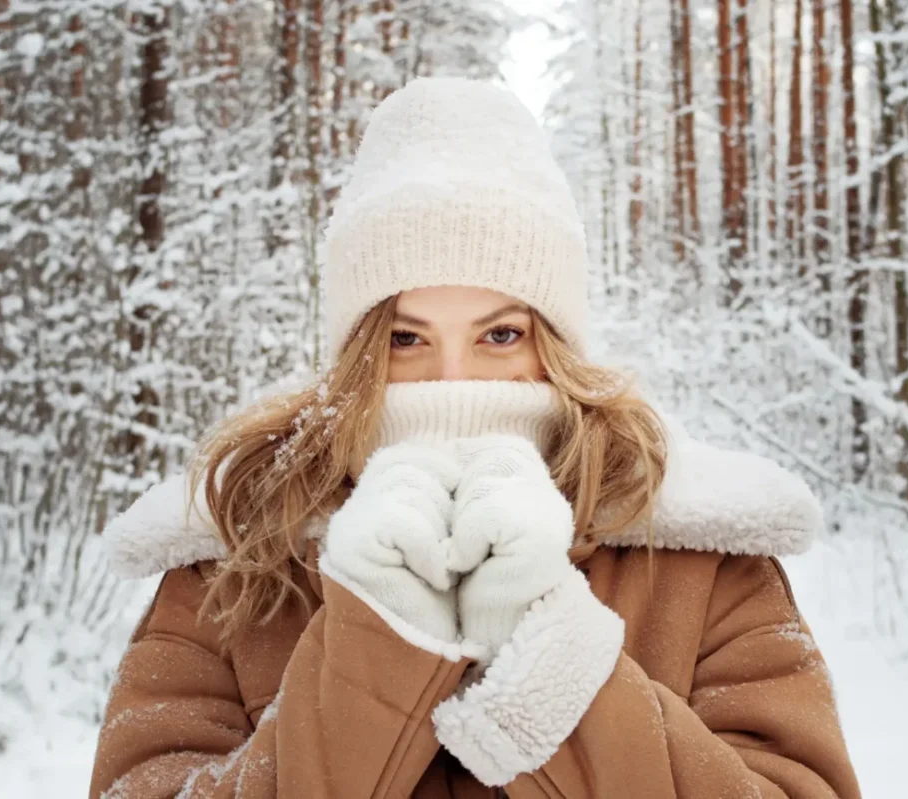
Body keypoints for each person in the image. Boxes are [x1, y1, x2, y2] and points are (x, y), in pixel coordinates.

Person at [89, 77, 862, 799]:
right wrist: (375, 645)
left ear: (553, 342)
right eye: (404, 338)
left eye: (499, 333)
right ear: (355, 352)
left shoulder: (701, 560)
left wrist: (548, 657)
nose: (453, 378)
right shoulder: (240, 557)